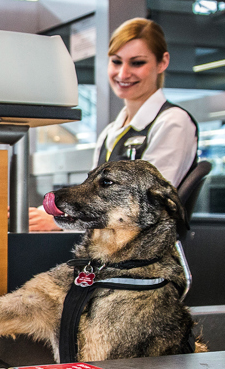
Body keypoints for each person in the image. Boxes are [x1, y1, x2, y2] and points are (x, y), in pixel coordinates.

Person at [28, 17, 198, 230]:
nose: (123, 73)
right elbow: (91, 195)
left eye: (137, 63)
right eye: (116, 61)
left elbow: (148, 206)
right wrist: (44, 213)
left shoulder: (173, 122)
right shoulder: (111, 132)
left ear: (162, 62)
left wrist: (61, 222)